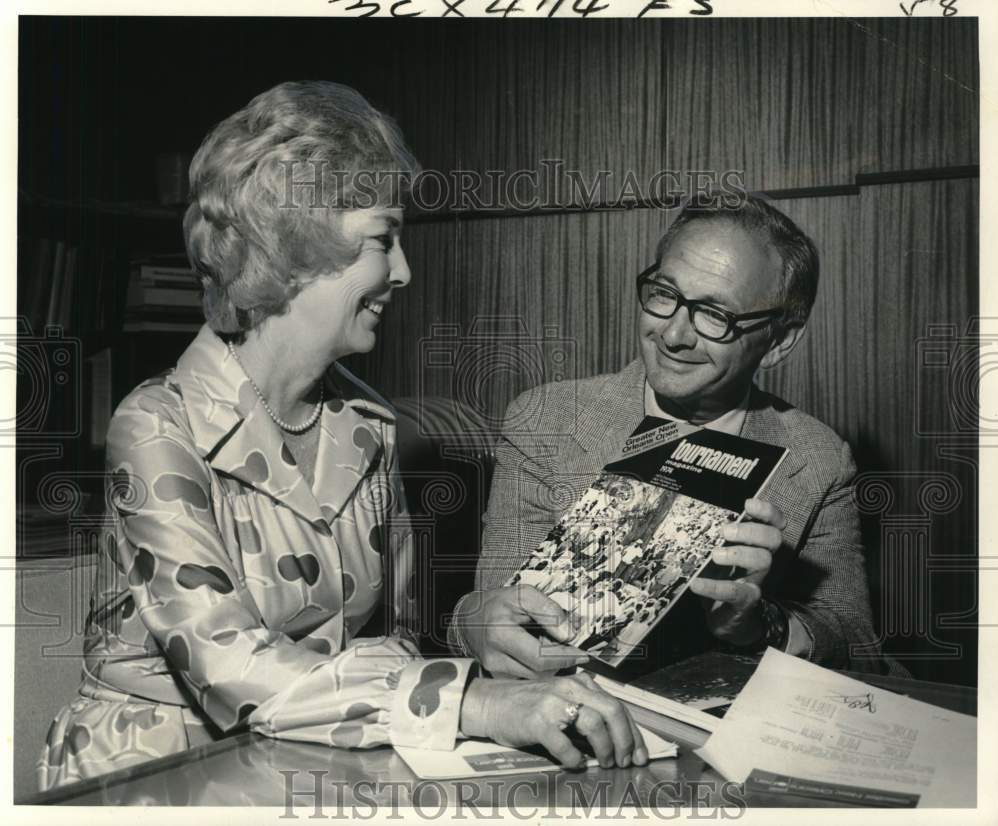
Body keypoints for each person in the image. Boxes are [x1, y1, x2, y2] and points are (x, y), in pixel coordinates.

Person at [37, 81, 645, 791]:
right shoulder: (155, 426)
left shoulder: (370, 424)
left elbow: (388, 645)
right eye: (383, 241)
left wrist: (478, 632)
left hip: (313, 764)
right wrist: (474, 702)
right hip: (159, 774)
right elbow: (231, 668)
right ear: (297, 250)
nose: (404, 271)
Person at [450, 194, 894, 679]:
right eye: (665, 294)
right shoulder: (547, 420)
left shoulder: (819, 457)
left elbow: (857, 646)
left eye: (715, 315)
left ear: (779, 340)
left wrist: (758, 624)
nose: (673, 334)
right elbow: (490, 611)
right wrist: (476, 620)